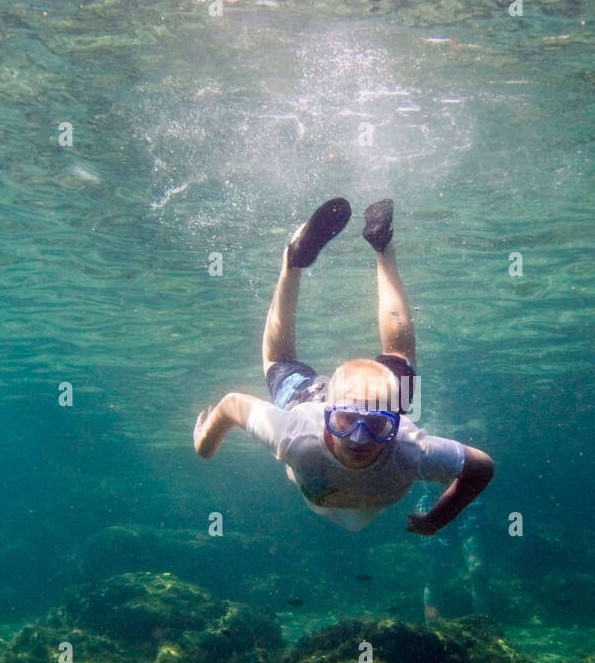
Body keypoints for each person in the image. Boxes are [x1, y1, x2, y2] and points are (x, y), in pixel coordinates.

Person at [192, 198, 494, 534]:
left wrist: (205, 444)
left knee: (282, 361)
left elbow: (481, 469)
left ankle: (300, 263)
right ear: (327, 413)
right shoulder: (305, 436)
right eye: (346, 421)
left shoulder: (395, 447)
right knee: (394, 353)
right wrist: (204, 444)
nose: (359, 438)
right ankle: (372, 249)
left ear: (395, 423)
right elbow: (480, 468)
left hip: (335, 399)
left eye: (376, 426)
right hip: (334, 400)